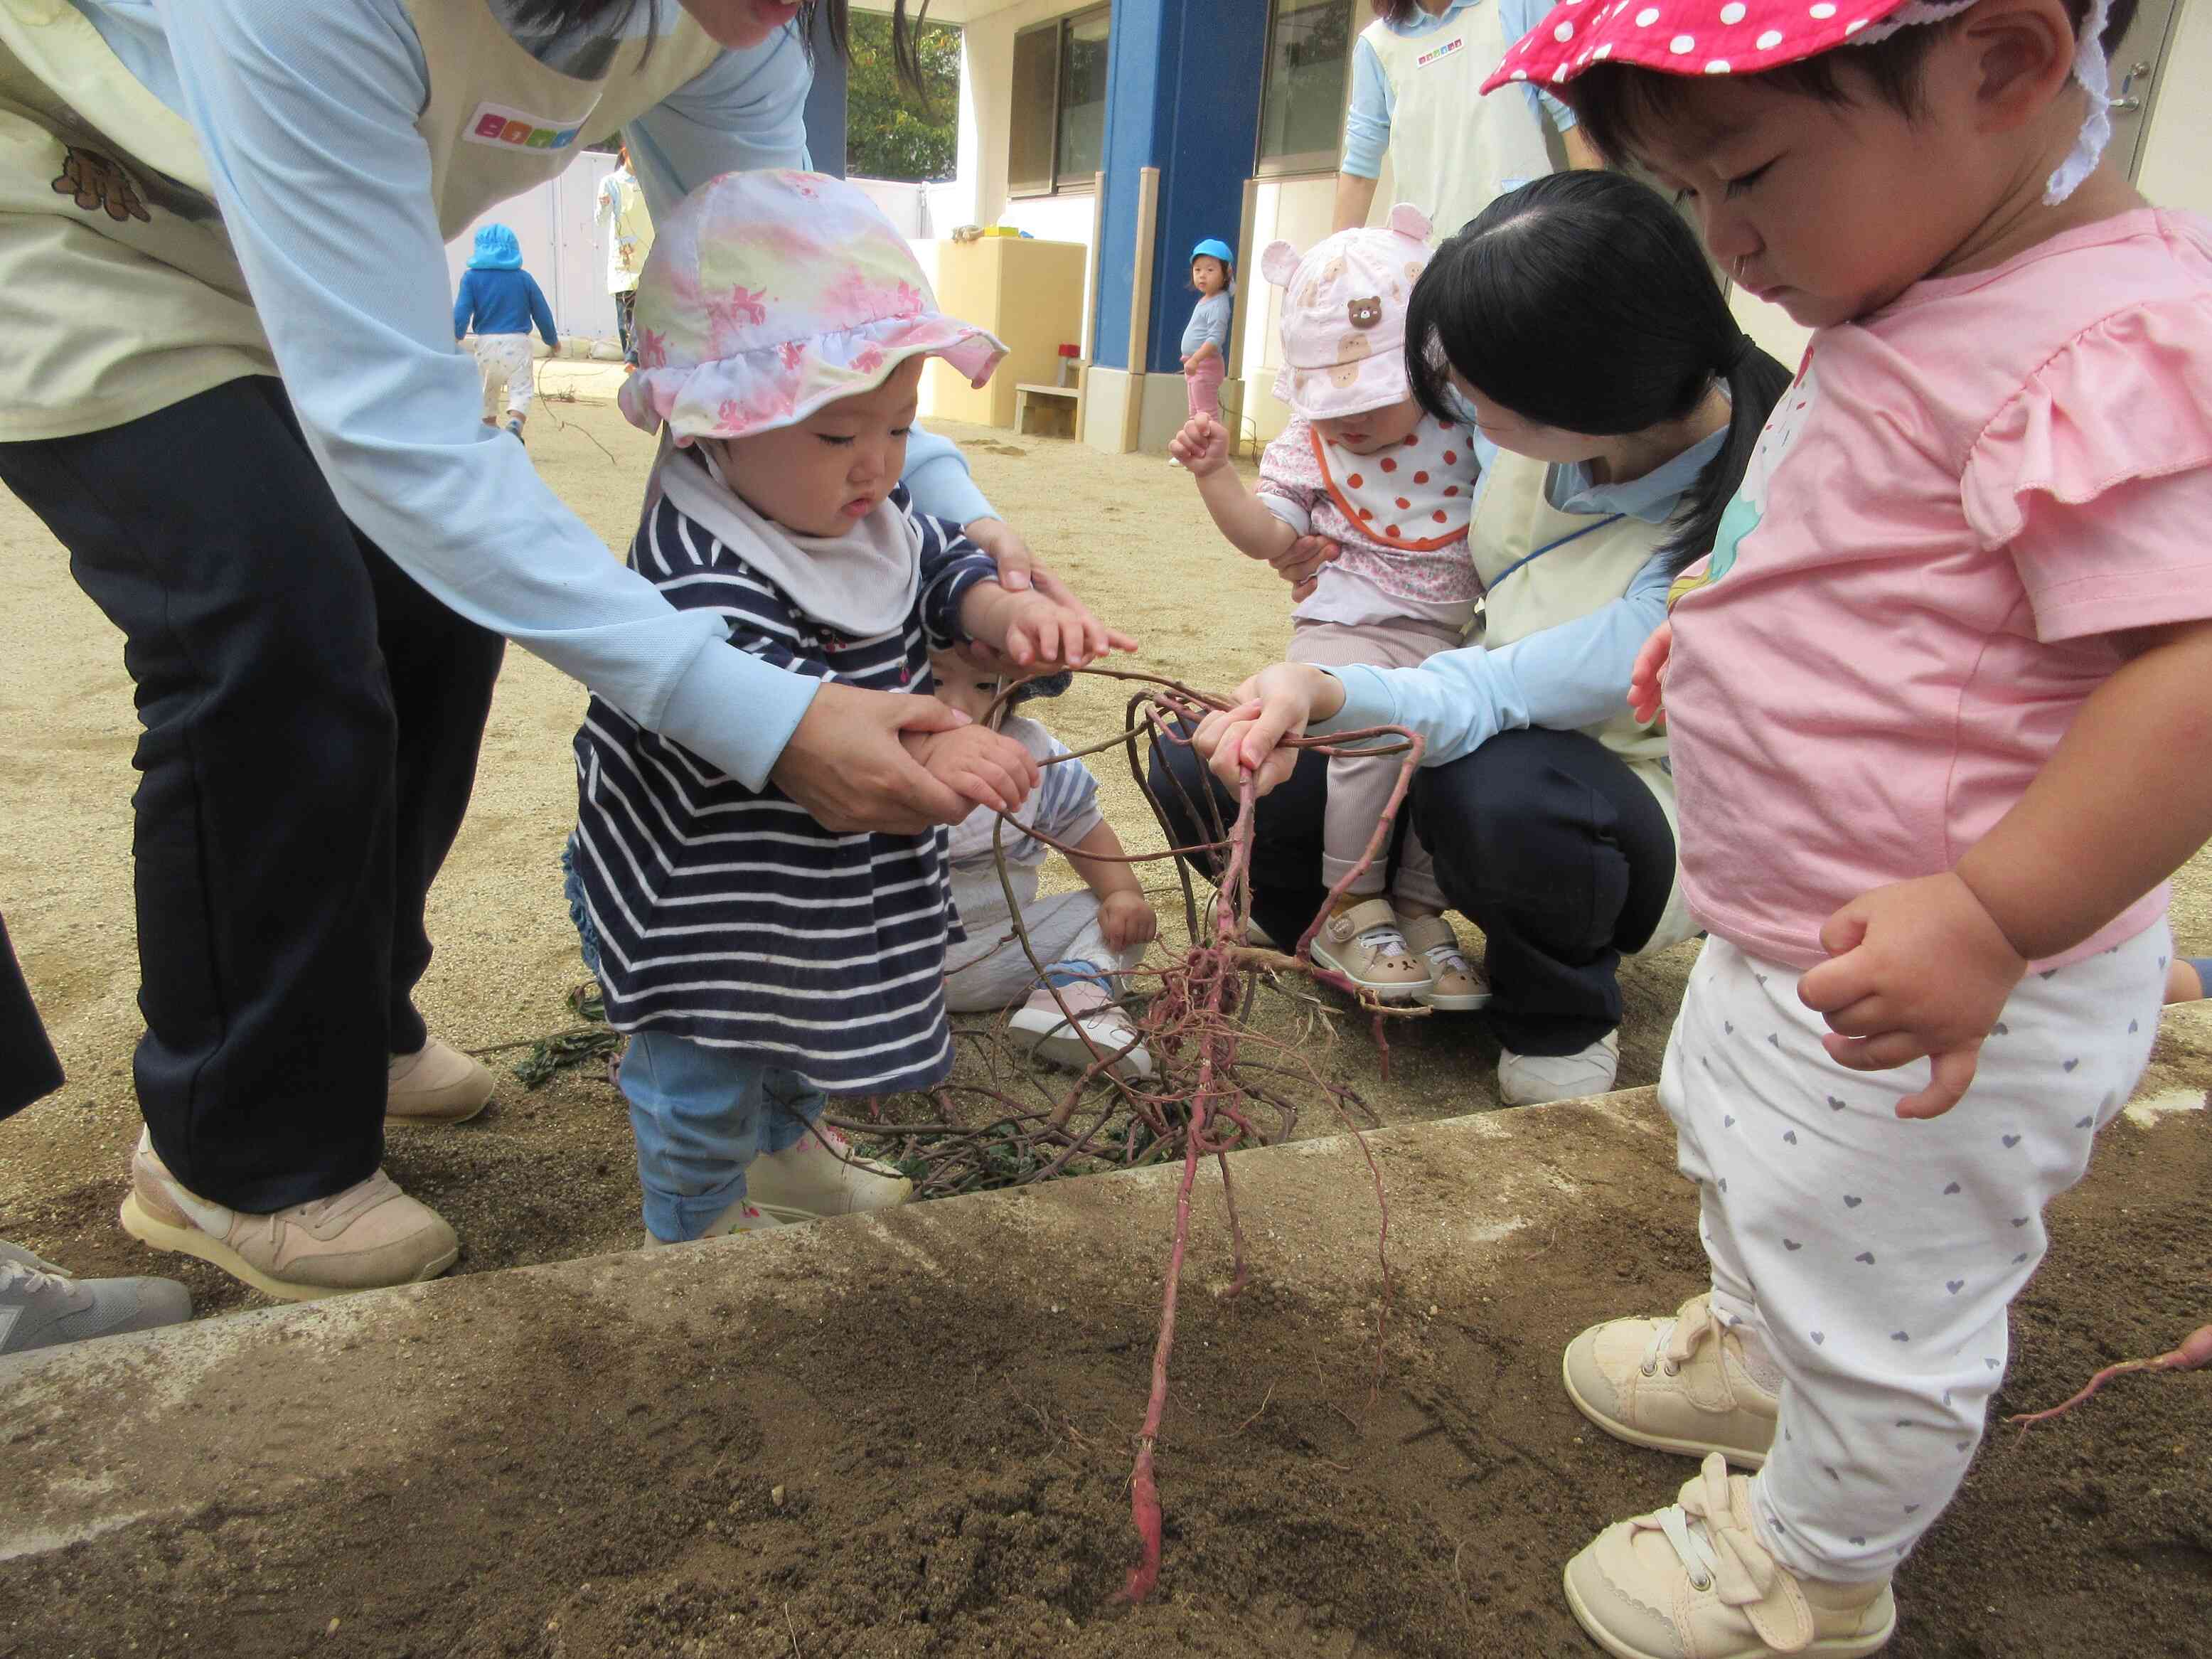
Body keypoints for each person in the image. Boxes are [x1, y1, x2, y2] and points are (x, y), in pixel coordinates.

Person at [0, 0, 1113, 1303]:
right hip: (78, 211)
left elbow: (804, 305)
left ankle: (341, 1025)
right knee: (273, 613)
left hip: (328, 254)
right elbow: (396, 431)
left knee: (438, 605)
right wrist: (760, 715)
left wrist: (957, 506)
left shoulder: (738, 23)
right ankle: (231, 1147)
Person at [1468, 1, 2204, 1653]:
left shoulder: (2107, 343)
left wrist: (1998, 911)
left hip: (1945, 979)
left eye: (1746, 176)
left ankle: (1813, 1559)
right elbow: (1908, 561)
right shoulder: (1935, 284)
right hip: (1812, 934)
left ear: (2003, 66)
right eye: (1682, 195)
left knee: (1885, 1300)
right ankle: (1761, 1350)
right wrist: (1729, 618)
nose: (1727, 248)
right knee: (1747, 1163)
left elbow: (2191, 666)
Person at [565, 171, 1119, 1246]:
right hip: (715, 896)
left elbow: (929, 559)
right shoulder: (700, 565)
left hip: (825, 870)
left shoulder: (857, 502)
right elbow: (764, 708)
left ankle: (790, 1152)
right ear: (710, 425)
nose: (876, 466)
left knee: (808, 1020)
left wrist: (1001, 607)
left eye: (902, 427)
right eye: (835, 438)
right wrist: (948, 748)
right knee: (709, 1057)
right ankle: (692, 1217)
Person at [1167, 171, 1788, 1101]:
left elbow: (1497, 692)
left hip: (1609, 788)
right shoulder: (1538, 440)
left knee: (1495, 786)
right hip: (1467, 711)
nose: (1445, 412)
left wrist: (1328, 689)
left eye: (1469, 393)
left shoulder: (1735, 530)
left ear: (1572, 401)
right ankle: (1330, 924)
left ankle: (1557, 1010)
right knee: (1205, 760)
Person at [1170, 205, 1486, 1008]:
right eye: (1333, 405)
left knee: (1453, 755)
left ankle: (1419, 907)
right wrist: (1216, 481)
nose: (1351, 422)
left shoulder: (1471, 421)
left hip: (1453, 633)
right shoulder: (1311, 439)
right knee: (1369, 744)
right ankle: (1351, 901)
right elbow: (1270, 533)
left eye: (1371, 401)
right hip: (1344, 627)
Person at [931, 653, 1158, 1080]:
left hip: (1000, 950)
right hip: (888, 960)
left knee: (1119, 917)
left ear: (1014, 688)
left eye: (984, 686)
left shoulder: (1034, 758)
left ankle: (1070, 995)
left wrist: (1124, 894)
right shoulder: (873, 756)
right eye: (934, 680)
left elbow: (1082, 826)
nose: (956, 705)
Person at [1334, 0, 1599, 240]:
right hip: (1425, 252)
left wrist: (1590, 231)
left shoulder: (1519, 6)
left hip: (1522, 241)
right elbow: (1360, 170)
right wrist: (1330, 270)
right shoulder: (1376, 45)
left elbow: (1574, 120)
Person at [452, 223, 559, 443]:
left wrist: (456, 335)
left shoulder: (471, 278)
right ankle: (515, 425)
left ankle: (489, 430)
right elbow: (542, 312)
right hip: (518, 344)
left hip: (485, 345)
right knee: (521, 389)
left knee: (487, 391)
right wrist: (552, 339)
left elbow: (461, 312)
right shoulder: (523, 278)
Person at [594, 145, 653, 368]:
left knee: (648, 309)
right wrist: (604, 205)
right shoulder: (611, 182)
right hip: (625, 257)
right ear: (626, 153)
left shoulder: (650, 180)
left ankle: (638, 358)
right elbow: (600, 219)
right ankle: (632, 357)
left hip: (650, 252)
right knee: (626, 311)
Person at [1179, 238, 1236, 428]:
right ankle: (1194, 451)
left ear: (1226, 274)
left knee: (1206, 414)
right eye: (1198, 270)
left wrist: (1196, 358)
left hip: (1205, 365)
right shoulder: (1207, 300)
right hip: (1194, 365)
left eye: (1210, 270)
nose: (1202, 275)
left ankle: (1214, 454)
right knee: (1195, 412)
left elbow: (1215, 338)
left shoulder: (1219, 303)